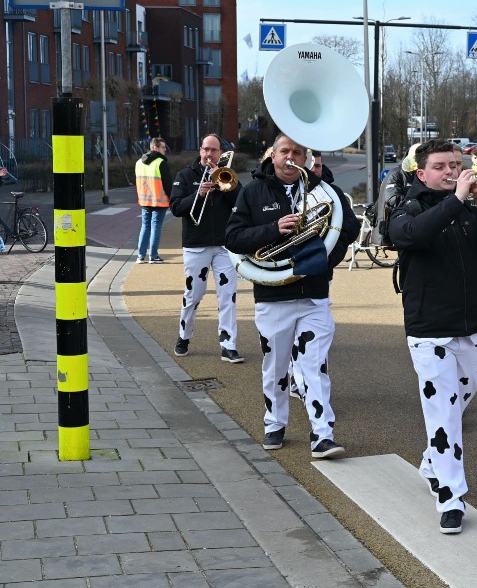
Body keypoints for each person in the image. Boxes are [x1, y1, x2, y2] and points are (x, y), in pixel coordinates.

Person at [390, 139, 477, 534]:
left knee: (461, 399)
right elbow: (413, 236)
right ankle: (450, 496)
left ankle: (432, 459)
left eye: (456, 165)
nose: (451, 172)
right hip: (429, 329)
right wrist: (457, 200)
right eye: (442, 166)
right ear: (422, 173)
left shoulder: (468, 210)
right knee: (444, 411)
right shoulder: (406, 208)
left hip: (470, 326)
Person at [225, 133, 359, 459]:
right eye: (285, 151)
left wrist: (325, 258)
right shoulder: (253, 192)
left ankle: (322, 434)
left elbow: (350, 227)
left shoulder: (321, 190)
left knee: (314, 366)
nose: (290, 157)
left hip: (314, 295)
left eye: (297, 152)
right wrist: (274, 229)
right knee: (276, 367)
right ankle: (274, 423)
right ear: (272, 155)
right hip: (273, 297)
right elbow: (233, 237)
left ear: (305, 158)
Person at [168, 135, 243, 362]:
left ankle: (228, 344)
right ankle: (184, 336)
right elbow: (175, 208)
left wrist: (224, 186)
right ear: (200, 150)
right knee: (193, 294)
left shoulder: (225, 174)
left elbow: (241, 202)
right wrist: (197, 194)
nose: (209, 154)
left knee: (227, 296)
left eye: (214, 150)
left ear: (220, 153)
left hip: (223, 245)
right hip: (196, 245)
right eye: (206, 149)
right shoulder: (185, 175)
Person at [135, 137, 171, 264]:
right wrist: (172, 198)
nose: (165, 149)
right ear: (155, 147)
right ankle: (153, 256)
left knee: (145, 226)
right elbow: (167, 184)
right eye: (163, 147)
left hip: (144, 200)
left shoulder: (139, 162)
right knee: (156, 227)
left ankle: (140, 256)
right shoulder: (160, 162)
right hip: (159, 200)